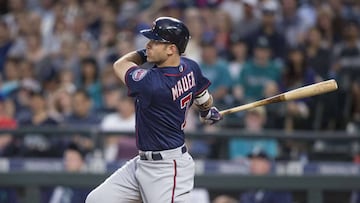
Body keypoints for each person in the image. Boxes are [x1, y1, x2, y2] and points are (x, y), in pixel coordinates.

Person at [86, 16, 222, 203]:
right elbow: (203, 96)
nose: (148, 44)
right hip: (142, 163)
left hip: (168, 168)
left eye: (156, 41)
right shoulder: (191, 67)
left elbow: (120, 64)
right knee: (97, 200)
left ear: (171, 49)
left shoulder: (152, 82)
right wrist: (207, 111)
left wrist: (142, 54)